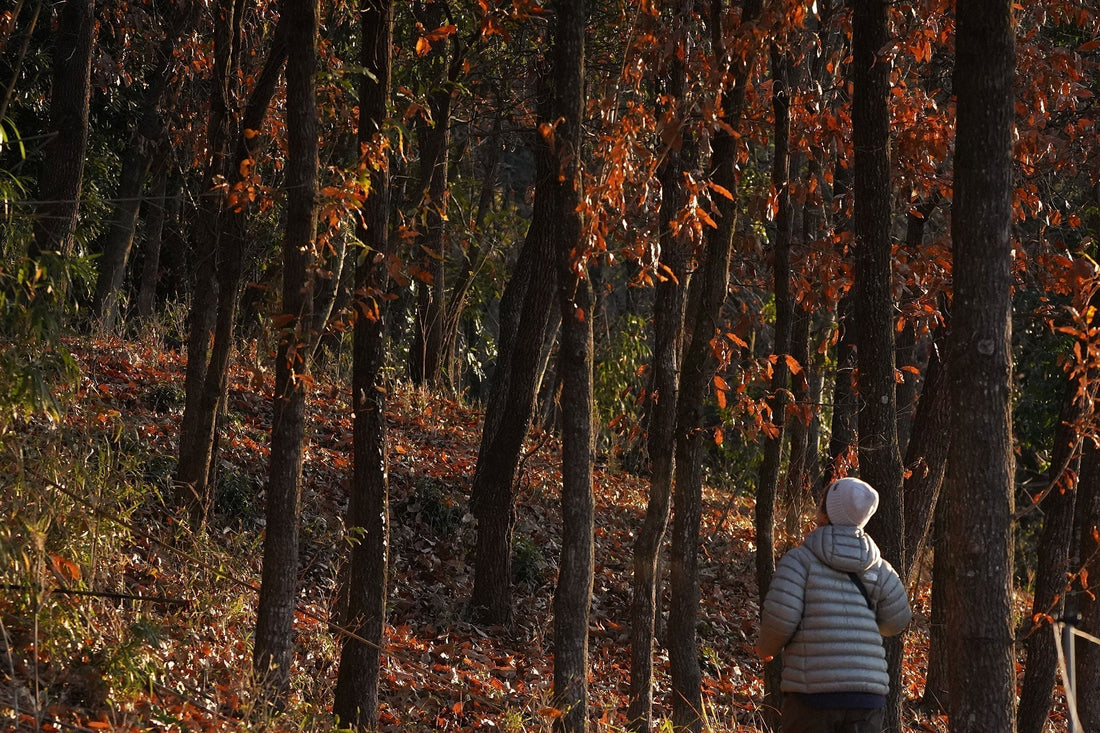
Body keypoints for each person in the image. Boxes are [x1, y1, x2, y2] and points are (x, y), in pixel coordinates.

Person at [757, 476, 913, 733]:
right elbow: (897, 621)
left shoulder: (799, 562)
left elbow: (780, 618)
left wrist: (766, 648)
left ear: (826, 513)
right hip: (866, 698)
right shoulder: (880, 569)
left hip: (812, 695)